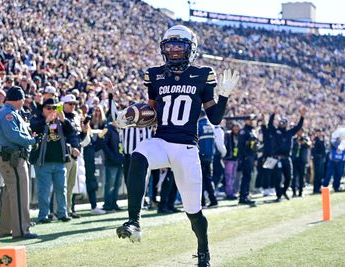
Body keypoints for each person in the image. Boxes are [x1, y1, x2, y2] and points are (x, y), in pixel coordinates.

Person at [115, 25, 239, 266]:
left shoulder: (203, 74)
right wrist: (130, 118)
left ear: (190, 49)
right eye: (169, 46)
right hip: (161, 140)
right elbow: (151, 113)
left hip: (186, 149)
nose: (173, 51)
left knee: (194, 212)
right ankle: (134, 222)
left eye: (179, 46)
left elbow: (214, 119)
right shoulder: (155, 75)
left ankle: (203, 251)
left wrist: (223, 97)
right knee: (138, 154)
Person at [0, 86, 38, 239]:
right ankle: (21, 230)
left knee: (9, 195)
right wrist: (32, 140)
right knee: (20, 194)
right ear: (18, 99)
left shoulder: (9, 113)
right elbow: (14, 135)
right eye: (22, 99)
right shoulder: (8, 114)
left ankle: (5, 229)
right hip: (13, 158)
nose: (23, 102)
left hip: (10, 158)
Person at [30, 98, 73, 223]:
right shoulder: (37, 120)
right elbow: (33, 130)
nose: (52, 110)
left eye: (54, 108)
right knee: (44, 191)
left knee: (61, 189)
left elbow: (72, 132)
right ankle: (43, 215)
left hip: (59, 162)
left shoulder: (60, 122)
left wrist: (63, 119)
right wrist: (45, 122)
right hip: (43, 162)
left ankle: (62, 213)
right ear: (42, 109)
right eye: (49, 108)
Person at [269, 107, 306, 202]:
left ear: (287, 124)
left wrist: (302, 116)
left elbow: (298, 127)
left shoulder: (289, 132)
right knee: (277, 178)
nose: (282, 124)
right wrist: (273, 114)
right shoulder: (275, 132)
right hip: (276, 158)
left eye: (284, 123)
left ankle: (283, 191)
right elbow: (269, 124)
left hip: (286, 158)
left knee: (289, 177)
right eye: (281, 122)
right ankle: (278, 195)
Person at [237, 116, 258, 205]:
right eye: (250, 119)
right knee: (246, 177)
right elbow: (240, 146)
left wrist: (255, 158)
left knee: (248, 177)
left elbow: (255, 146)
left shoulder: (252, 131)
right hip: (246, 157)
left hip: (251, 157)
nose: (252, 121)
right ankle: (243, 197)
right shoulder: (243, 131)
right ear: (246, 121)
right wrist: (244, 157)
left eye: (253, 120)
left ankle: (245, 195)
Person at [311, 128, 326, 193]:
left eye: (320, 132)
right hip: (317, 159)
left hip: (321, 158)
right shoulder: (315, 140)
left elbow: (323, 150)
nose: (319, 133)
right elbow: (313, 151)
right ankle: (316, 188)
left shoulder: (321, 140)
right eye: (318, 132)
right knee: (317, 174)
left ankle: (319, 187)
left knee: (320, 174)